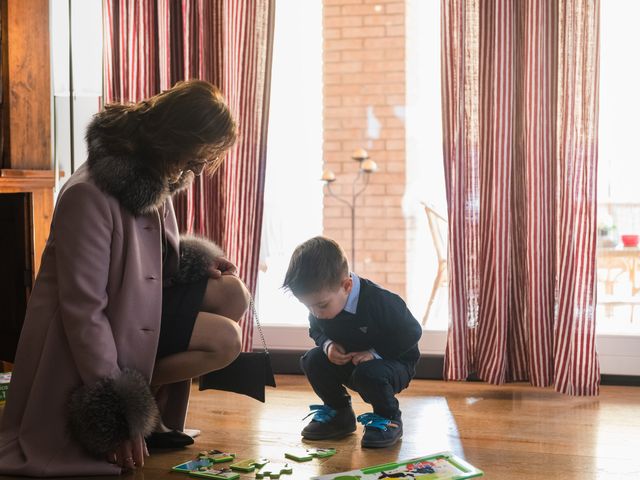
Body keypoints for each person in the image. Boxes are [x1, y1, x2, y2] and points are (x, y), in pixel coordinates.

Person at [0, 80, 250, 476]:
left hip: (133, 305)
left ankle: (147, 395)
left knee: (233, 294)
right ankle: (140, 397)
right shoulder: (87, 195)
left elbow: (145, 253)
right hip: (98, 330)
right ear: (174, 138)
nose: (199, 170)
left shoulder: (150, 175)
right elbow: (83, 311)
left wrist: (193, 262)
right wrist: (120, 411)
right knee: (226, 339)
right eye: (195, 159)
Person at [283, 236, 422, 448]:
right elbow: (316, 330)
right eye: (308, 306)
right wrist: (328, 345)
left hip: (393, 364)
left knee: (369, 373)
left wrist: (375, 353)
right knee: (312, 359)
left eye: (320, 305)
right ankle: (339, 412)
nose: (315, 313)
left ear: (347, 286)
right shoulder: (320, 306)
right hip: (351, 362)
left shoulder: (380, 301)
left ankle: (389, 417)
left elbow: (412, 332)